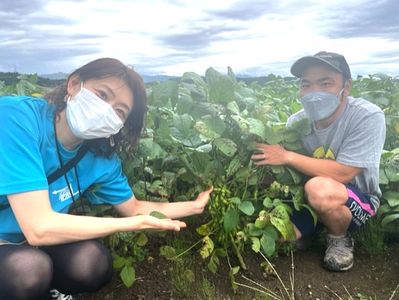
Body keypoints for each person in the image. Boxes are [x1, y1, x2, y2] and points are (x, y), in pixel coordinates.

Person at [0, 57, 212, 300]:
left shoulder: (100, 158)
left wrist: (194, 207)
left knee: (91, 262)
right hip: (30, 237)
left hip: (28, 242)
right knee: (28, 271)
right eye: (102, 95)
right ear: (74, 85)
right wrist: (135, 224)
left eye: (119, 111)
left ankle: (47, 291)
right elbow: (39, 227)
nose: (106, 111)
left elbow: (135, 208)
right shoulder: (17, 118)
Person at [251, 51, 386, 272]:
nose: (314, 93)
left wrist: (287, 155)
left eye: (325, 83)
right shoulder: (297, 122)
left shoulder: (367, 116)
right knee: (277, 238)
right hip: (308, 197)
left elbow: (344, 173)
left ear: (346, 86)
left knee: (319, 188)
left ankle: (338, 238)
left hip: (358, 199)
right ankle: (314, 228)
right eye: (306, 84)